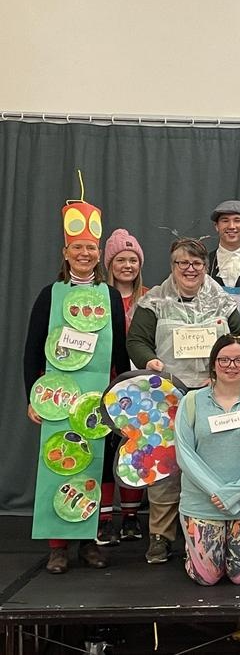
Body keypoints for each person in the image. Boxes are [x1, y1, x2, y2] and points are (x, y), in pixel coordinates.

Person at [23, 197, 130, 573]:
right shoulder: (49, 295)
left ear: (99, 254)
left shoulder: (110, 296)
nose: (85, 254)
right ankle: (57, 547)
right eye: (78, 247)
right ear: (65, 252)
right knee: (58, 463)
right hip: (57, 398)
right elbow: (32, 350)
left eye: (91, 248)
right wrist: (32, 398)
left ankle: (88, 543)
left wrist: (120, 399)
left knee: (95, 468)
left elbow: (120, 351)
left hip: (97, 399)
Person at [127, 238, 240, 564]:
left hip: (213, 395)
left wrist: (224, 373)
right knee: (165, 466)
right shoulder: (153, 301)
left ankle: (208, 533)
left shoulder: (222, 301)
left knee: (214, 464)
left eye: (197, 264)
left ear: (205, 267)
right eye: (183, 263)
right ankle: (160, 537)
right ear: (172, 265)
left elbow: (239, 339)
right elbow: (136, 340)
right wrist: (149, 361)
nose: (190, 269)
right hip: (168, 395)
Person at [175, 335, 240, 585]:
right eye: (224, 360)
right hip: (202, 502)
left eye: (238, 360)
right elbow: (185, 454)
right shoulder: (191, 402)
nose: (231, 366)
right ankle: (195, 553)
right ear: (213, 363)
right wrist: (218, 492)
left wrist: (235, 492)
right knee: (207, 578)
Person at [98, 228, 149, 544]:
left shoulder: (151, 296)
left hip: (140, 386)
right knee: (104, 450)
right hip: (103, 383)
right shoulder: (97, 297)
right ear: (109, 264)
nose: (127, 265)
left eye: (133, 260)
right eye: (120, 259)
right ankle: (104, 518)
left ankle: (131, 517)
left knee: (134, 448)